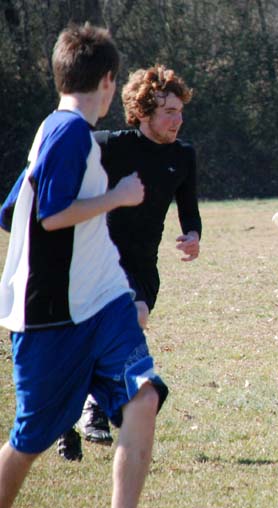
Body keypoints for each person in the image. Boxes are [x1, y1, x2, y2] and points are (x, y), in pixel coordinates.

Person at [0, 23, 168, 507]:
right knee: (29, 439)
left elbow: (12, 212)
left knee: (143, 397)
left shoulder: (59, 131)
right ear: (109, 80)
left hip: (104, 301)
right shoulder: (69, 132)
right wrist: (117, 196)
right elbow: (50, 215)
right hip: (51, 316)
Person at [55, 65, 201, 461]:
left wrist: (193, 235)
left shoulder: (183, 155)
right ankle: (87, 411)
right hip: (97, 259)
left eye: (179, 111)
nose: (177, 120)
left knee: (120, 327)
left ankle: (78, 413)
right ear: (142, 112)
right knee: (127, 321)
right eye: (168, 112)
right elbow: (62, 160)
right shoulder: (108, 145)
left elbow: (188, 206)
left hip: (143, 267)